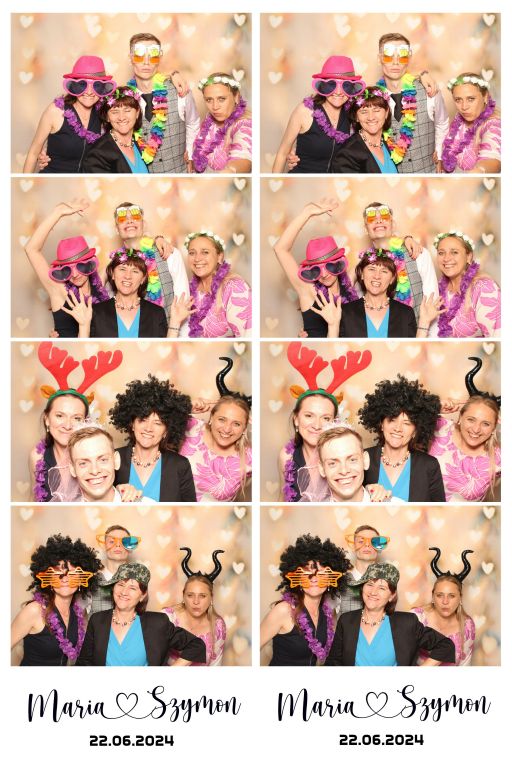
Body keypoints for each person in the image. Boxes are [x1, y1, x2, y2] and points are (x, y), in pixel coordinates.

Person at [30, 342, 123, 502]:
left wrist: (125, 490)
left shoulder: (99, 453)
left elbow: (109, 491)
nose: (67, 425)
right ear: (47, 419)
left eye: (76, 418)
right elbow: (34, 498)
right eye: (60, 415)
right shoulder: (37, 456)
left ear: (86, 421)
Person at [279, 342, 372, 501]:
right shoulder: (287, 456)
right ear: (296, 419)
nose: (317, 425)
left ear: (335, 421)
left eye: (326, 418)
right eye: (309, 416)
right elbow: (284, 498)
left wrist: (375, 490)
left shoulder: (348, 453)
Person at [325, 563, 455, 666]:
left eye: (382, 588)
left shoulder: (407, 623)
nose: (373, 592)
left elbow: (446, 646)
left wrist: (419, 673)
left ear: (392, 596)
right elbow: (333, 663)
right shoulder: (346, 621)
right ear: (362, 588)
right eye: (369, 584)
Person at [76, 564, 206, 666]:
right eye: (120, 584)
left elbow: (197, 645)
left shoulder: (158, 623)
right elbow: (84, 663)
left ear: (142, 595)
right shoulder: (97, 620)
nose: (124, 592)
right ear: (113, 588)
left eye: (132, 588)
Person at [260, 534, 351, 666]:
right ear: (298, 579)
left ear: (331, 580)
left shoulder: (327, 614)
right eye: (307, 574)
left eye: (321, 574)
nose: (314, 579)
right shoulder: (284, 610)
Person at [11, 534, 101, 666]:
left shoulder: (78, 614)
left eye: (72, 574)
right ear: (48, 580)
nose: (65, 579)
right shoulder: (34, 610)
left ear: (81, 580)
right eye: (58, 574)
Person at [273, 200, 358, 338]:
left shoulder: (348, 283)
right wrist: (306, 214)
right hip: (317, 351)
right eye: (317, 269)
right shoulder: (308, 289)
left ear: (338, 263)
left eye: (329, 266)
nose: (323, 274)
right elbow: (280, 249)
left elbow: (377, 257)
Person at [25, 202, 110, 337]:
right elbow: (31, 249)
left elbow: (127, 258)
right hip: (68, 350)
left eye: (80, 266)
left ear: (89, 263)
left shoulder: (98, 283)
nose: (75, 274)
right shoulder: (58, 289)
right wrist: (58, 213)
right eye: (68, 270)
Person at [109, 375, 196, 502]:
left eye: (158, 423)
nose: (148, 428)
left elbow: (190, 509)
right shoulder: (113, 458)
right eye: (143, 420)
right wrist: (115, 492)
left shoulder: (180, 465)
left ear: (166, 431)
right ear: (132, 424)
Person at [358, 375, 446, 502]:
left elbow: (439, 509)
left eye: (407, 423)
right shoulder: (362, 458)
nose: (398, 428)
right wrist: (365, 491)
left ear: (415, 431)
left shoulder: (429, 466)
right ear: (381, 424)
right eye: (392, 420)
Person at [272, 56, 365, 174]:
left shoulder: (354, 114)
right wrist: (276, 181)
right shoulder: (305, 111)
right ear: (323, 86)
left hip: (332, 182)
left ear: (351, 88)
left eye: (345, 85)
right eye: (331, 84)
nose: (338, 92)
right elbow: (282, 153)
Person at [23, 55, 116, 174]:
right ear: (74, 85)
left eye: (96, 85)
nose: (89, 92)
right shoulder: (56, 111)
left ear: (102, 87)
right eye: (82, 84)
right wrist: (26, 182)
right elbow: (33, 153)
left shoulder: (104, 114)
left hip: (83, 184)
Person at [374, 33, 449, 174]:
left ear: (408, 58)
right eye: (388, 56)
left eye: (402, 56)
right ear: (379, 59)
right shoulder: (373, 98)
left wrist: (440, 155)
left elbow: (442, 123)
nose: (395, 62)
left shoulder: (430, 91)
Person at [126, 32, 199, 173]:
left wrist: (191, 154)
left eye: (152, 56)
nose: (146, 62)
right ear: (130, 58)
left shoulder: (180, 91)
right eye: (139, 56)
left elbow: (193, 122)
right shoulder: (124, 98)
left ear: (159, 58)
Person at [429, 357, 500, 501]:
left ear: (494, 427)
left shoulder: (499, 458)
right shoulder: (440, 427)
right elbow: (392, 418)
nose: (476, 429)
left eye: (486, 424)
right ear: (460, 417)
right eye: (471, 419)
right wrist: (434, 406)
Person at [181, 358, 252, 501]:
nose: (227, 429)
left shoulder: (250, 457)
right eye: (222, 419)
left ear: (245, 428)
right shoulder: (191, 427)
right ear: (211, 418)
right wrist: (185, 406)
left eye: (236, 424)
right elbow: (147, 419)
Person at [362, 201, 439, 328]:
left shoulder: (418, 254)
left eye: (384, 217)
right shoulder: (363, 264)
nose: (379, 221)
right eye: (371, 219)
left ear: (393, 224)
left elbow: (433, 304)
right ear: (366, 229)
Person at [320, 249, 430, 338]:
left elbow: (414, 353)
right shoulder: (345, 312)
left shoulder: (406, 313)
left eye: (384, 271)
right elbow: (334, 353)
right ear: (361, 274)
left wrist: (424, 322)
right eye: (371, 269)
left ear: (392, 279)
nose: (377, 276)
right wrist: (333, 326)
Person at [113, 202, 190, 327]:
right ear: (117, 229)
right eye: (122, 219)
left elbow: (183, 305)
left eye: (135, 217)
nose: (130, 221)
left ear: (144, 224)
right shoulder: (114, 264)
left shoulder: (169, 254)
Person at [64, 249, 168, 337]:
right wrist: (83, 326)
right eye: (122, 269)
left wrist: (174, 324)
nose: (127, 276)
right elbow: (84, 352)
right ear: (112, 274)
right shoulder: (95, 312)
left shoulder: (156, 314)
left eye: (135, 271)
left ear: (143, 279)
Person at [168, 230, 251, 337]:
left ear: (219, 257)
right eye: (192, 253)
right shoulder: (188, 291)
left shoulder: (234, 288)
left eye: (205, 252)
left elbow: (249, 336)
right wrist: (175, 321)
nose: (197, 258)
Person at [163, 548, 226, 666]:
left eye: (202, 596)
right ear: (183, 596)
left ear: (211, 598)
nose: (196, 602)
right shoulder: (168, 617)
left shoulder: (218, 625)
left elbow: (215, 665)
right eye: (190, 595)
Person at [412, 548, 475, 666]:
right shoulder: (416, 617)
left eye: (451, 596)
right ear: (433, 596)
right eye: (440, 595)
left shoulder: (467, 625)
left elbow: (464, 664)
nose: (445, 601)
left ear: (460, 598)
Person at [433, 230, 500, 337]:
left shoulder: (484, 288)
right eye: (441, 253)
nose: (446, 258)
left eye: (454, 252)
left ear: (468, 257)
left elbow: (498, 336)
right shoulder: (437, 290)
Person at [68, 425, 153, 503]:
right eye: (83, 463)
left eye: (103, 460)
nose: (94, 471)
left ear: (116, 461)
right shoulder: (65, 512)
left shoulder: (149, 507)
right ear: (72, 469)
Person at [315, 426, 396, 503]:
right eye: (332, 463)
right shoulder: (313, 512)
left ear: (365, 461)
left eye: (352, 460)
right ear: (322, 468)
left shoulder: (397, 507)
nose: (344, 471)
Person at [192, 73, 252, 173]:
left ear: (236, 97)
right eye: (209, 100)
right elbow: (199, 151)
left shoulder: (244, 125)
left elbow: (243, 159)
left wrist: (231, 170)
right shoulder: (209, 121)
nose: (215, 107)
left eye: (221, 99)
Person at [442, 73, 500, 173]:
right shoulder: (459, 119)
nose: (464, 107)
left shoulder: (493, 125)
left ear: (485, 97)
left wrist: (480, 170)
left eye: (471, 99)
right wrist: (441, 158)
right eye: (458, 100)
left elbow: (492, 159)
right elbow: (449, 147)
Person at [82, 86, 148, 173]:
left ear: (137, 113)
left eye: (127, 110)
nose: (121, 117)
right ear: (107, 117)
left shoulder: (138, 143)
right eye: (114, 112)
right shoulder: (97, 154)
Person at [331, 86, 397, 173]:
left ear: (386, 113)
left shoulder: (387, 143)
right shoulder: (347, 154)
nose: (371, 117)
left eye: (376, 110)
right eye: (364, 112)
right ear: (356, 117)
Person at [335, 526, 390, 614]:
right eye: (361, 541)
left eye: (373, 542)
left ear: (379, 548)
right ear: (353, 546)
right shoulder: (339, 581)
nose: (367, 545)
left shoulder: (387, 583)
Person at [90, 525, 142, 615]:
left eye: (124, 542)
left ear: (130, 548)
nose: (118, 545)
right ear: (104, 546)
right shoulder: (90, 580)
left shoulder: (139, 581)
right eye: (112, 541)